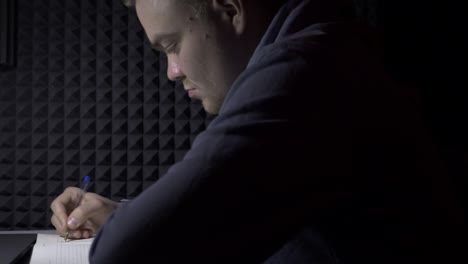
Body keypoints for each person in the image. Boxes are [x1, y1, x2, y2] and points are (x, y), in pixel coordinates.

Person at [50, 0, 464, 263]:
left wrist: (126, 228)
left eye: (173, 45)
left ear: (230, 9)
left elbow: (125, 253)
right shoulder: (331, 52)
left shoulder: (303, 73)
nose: (173, 72)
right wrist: (119, 214)